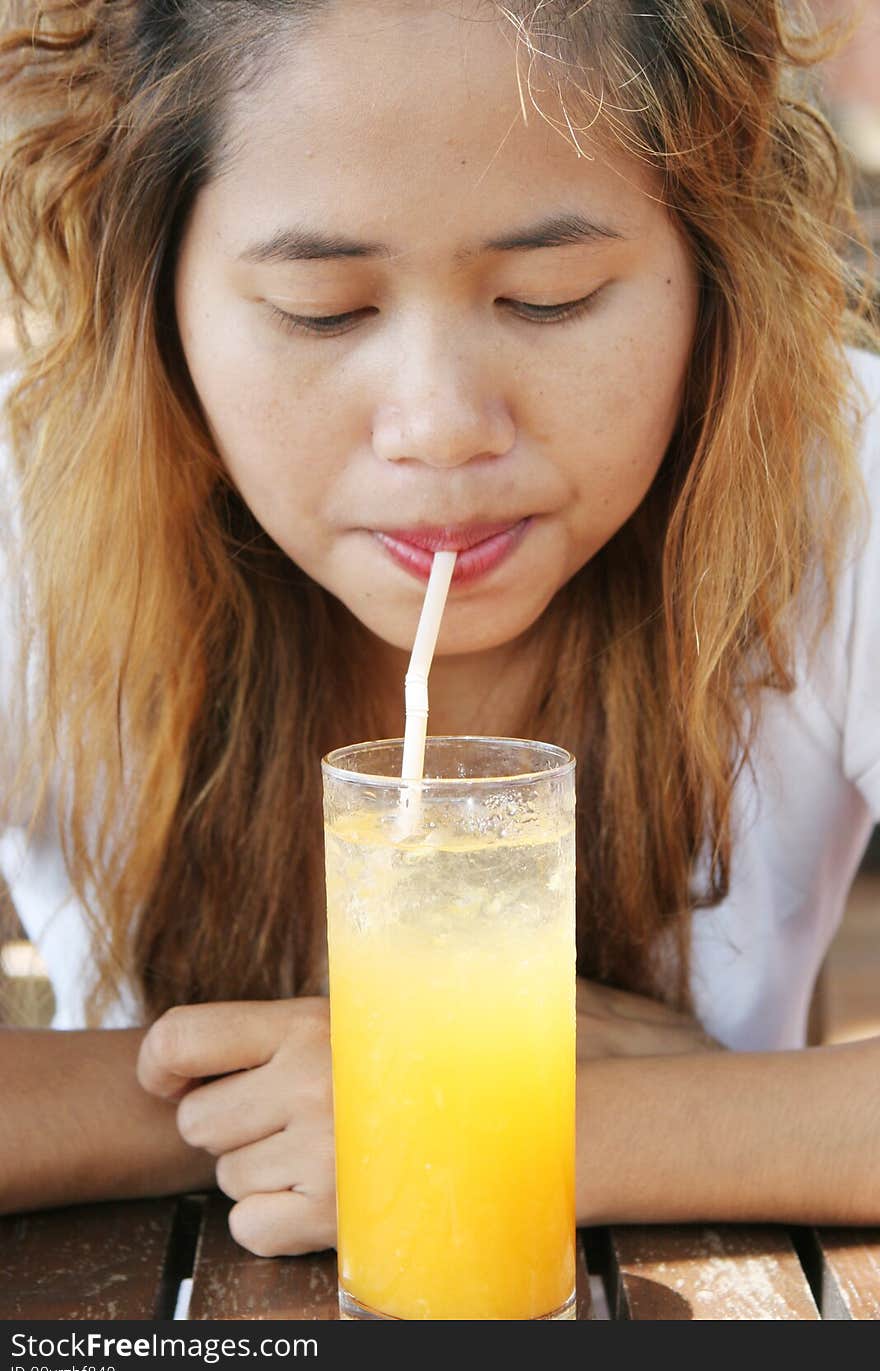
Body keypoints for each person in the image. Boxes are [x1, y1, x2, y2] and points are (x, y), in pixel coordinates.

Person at [0, 0, 878, 1260]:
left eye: (550, 297)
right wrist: (338, 1092)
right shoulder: (30, 519)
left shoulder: (839, 479)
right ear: (158, 293)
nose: (440, 424)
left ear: (710, 251)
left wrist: (530, 1125)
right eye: (321, 309)